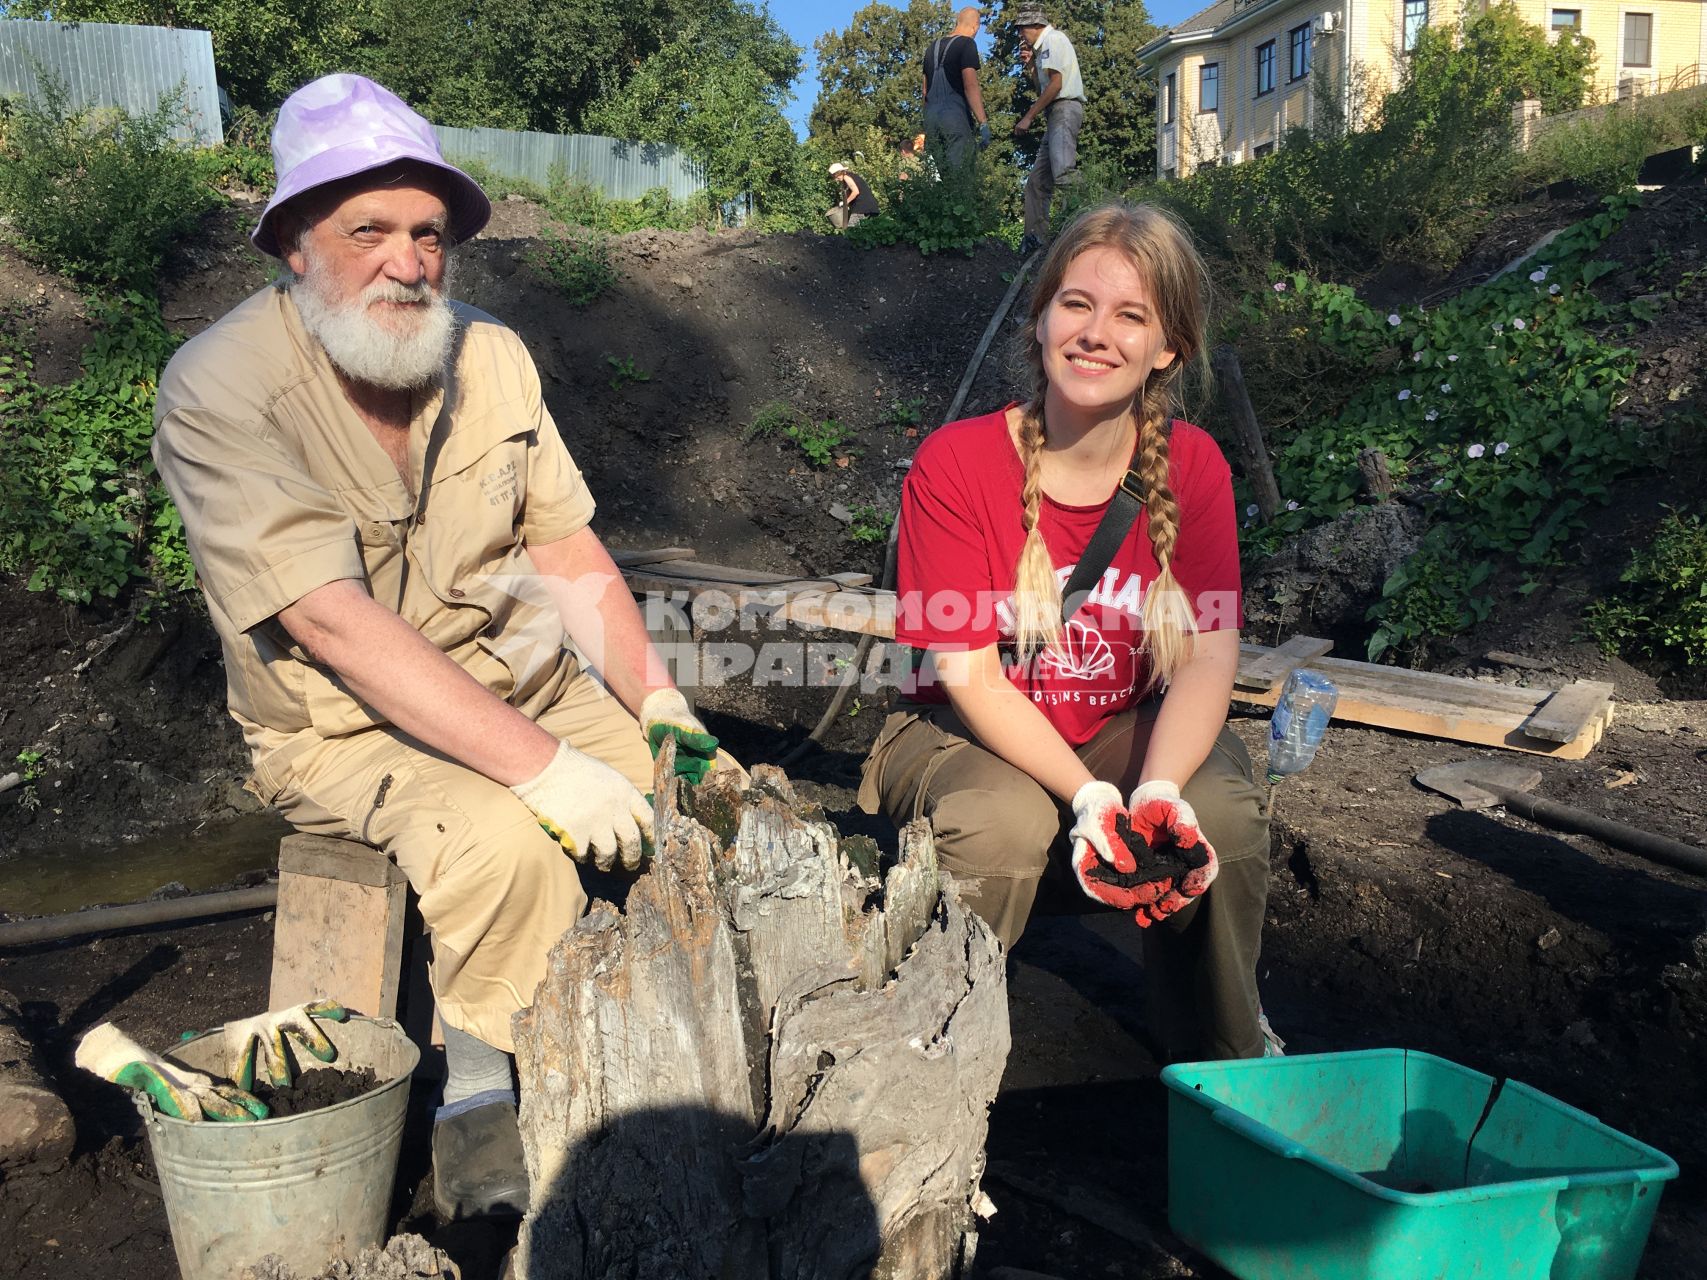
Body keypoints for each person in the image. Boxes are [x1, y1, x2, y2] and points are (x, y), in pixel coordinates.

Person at [150, 74, 721, 1219]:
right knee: (508, 841)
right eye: (368, 230)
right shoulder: (222, 388)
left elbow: (564, 546)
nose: (407, 261)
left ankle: (699, 1058)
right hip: (340, 727)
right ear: (295, 245)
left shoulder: (493, 359)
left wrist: (660, 704)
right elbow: (329, 622)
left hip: (528, 677)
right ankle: (480, 1092)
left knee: (714, 799)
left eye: (428, 235)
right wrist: (550, 767)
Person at [858, 202, 1274, 1064]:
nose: (1096, 333)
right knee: (1001, 827)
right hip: (966, 727)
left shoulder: (1192, 465)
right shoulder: (956, 463)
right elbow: (968, 673)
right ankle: (920, 1065)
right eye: (1077, 304)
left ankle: (1223, 1073)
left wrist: (1154, 792)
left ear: (1168, 349)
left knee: (1219, 819)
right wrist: (1086, 799)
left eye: (1131, 315)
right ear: (1040, 317)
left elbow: (1207, 655)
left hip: (1118, 725)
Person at [1012, 6, 1086, 256]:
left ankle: (1077, 231)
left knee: (1064, 173)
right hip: (1054, 114)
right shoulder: (1041, 50)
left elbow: (1057, 84)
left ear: (1034, 26)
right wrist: (1032, 66)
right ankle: (1036, 241)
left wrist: (1028, 117)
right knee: (1036, 183)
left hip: (1064, 109)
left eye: (1022, 29)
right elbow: (1043, 85)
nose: (1021, 35)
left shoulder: (1054, 40)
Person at [921, 6, 991, 172]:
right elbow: (970, 85)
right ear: (976, 26)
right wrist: (983, 122)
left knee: (940, 178)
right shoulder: (967, 44)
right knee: (960, 176)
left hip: (931, 119)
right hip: (954, 118)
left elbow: (924, 91)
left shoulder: (931, 48)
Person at [826, 162, 880, 229]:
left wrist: (846, 202)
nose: (836, 179)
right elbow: (848, 193)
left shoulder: (846, 177)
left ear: (840, 173)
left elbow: (855, 192)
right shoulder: (848, 177)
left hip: (862, 206)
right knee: (866, 230)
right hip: (870, 206)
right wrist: (848, 206)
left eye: (836, 176)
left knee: (852, 229)